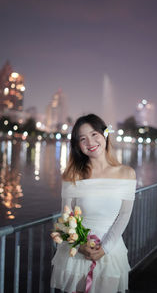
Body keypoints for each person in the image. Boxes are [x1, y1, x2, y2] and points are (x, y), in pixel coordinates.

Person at [51, 113, 137, 293]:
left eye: (94, 134)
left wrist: (104, 248)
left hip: (110, 251)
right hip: (77, 252)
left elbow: (124, 215)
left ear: (105, 134)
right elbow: (66, 217)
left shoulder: (127, 173)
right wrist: (80, 245)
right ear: (78, 146)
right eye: (82, 139)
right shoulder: (72, 175)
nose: (90, 142)